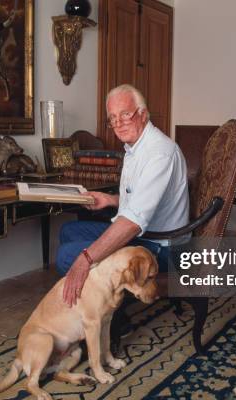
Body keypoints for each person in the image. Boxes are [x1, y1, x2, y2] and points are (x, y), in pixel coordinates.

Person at [57, 84, 190, 306]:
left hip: (164, 248)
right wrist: (111, 200)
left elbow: (132, 223)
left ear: (143, 114)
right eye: (113, 118)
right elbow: (144, 201)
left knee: (67, 256)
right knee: (68, 231)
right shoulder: (135, 147)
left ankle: (110, 318)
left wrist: (86, 258)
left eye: (125, 115)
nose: (118, 124)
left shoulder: (160, 153)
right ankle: (94, 303)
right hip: (145, 234)